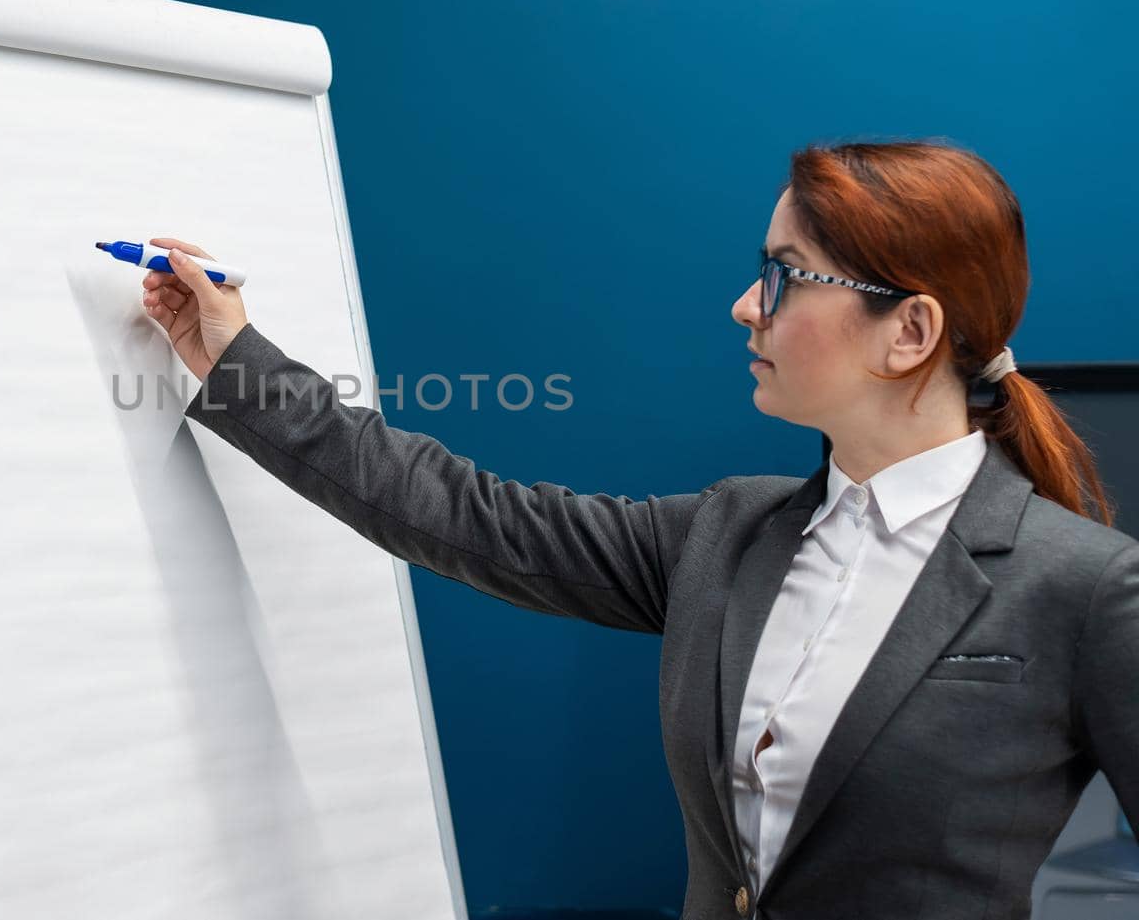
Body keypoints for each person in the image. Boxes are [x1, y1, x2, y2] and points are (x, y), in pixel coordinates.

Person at [137, 139, 1136, 920]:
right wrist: (233, 358)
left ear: (909, 332)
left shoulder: (1084, 591)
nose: (745, 305)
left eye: (786, 274)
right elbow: (452, 510)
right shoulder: (726, 537)